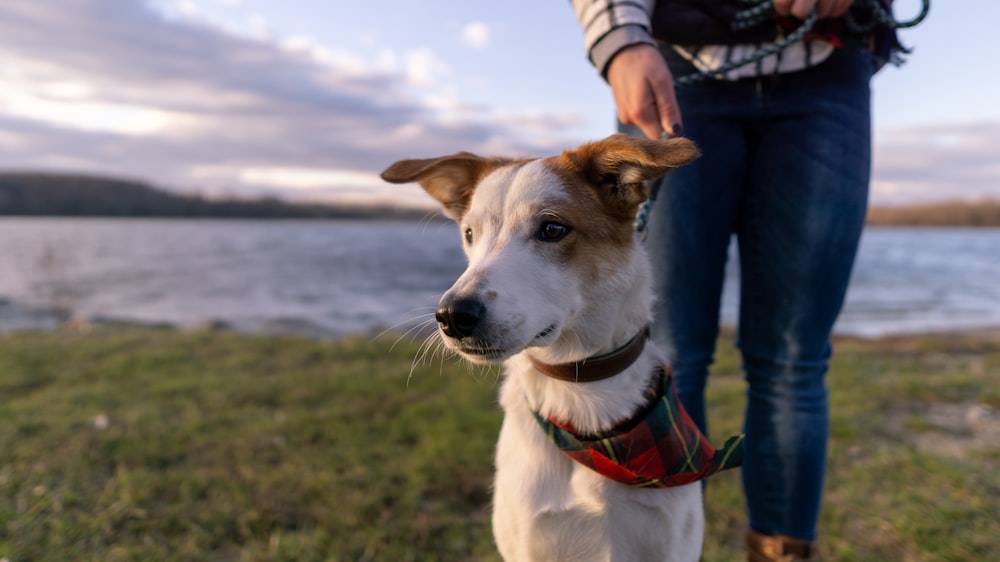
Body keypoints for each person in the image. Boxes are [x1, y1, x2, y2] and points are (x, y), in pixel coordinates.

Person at [570, 0, 907, 559]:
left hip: (829, 69)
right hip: (674, 71)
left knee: (794, 359)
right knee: (669, 355)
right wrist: (619, 39)